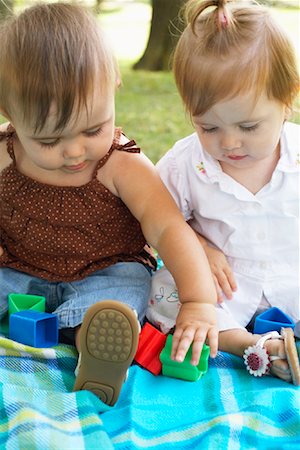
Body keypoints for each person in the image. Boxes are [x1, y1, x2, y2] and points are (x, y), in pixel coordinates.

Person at [0, 2, 218, 405]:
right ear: (9, 113)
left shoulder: (121, 164)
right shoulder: (4, 152)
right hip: (18, 266)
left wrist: (199, 301)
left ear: (114, 84)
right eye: (48, 141)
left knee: (115, 302)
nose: (74, 151)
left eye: (93, 128)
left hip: (104, 270)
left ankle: (96, 350)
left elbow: (168, 229)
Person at [147, 0, 300, 384]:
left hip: (293, 273)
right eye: (208, 128)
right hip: (226, 285)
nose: (229, 143)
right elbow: (153, 221)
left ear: (288, 100)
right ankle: (249, 344)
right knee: (165, 292)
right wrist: (201, 247)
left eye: (248, 126)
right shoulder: (186, 164)